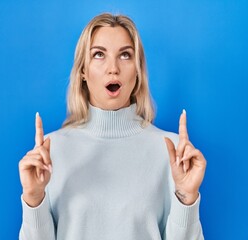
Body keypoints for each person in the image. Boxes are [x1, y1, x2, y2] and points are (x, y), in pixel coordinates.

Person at [18, 13, 206, 240]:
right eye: (99, 55)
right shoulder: (50, 152)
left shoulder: (173, 151)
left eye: (125, 55)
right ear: (83, 72)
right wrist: (33, 199)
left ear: (137, 71)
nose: (113, 68)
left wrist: (187, 198)